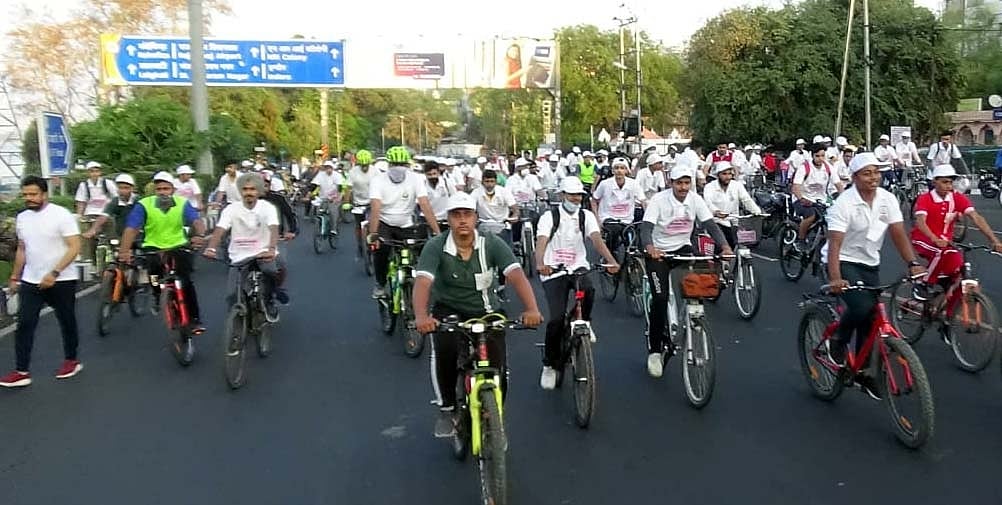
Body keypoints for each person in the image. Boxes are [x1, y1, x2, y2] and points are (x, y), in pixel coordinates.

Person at [413, 192, 543, 437]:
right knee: (445, 350)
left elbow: (516, 275)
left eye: (467, 214)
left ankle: (493, 419)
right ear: (448, 219)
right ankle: (448, 408)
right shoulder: (436, 246)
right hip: (449, 310)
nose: (462, 220)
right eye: (456, 215)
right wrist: (421, 316)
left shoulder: (491, 243)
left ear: (475, 218)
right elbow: (422, 282)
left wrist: (532, 309)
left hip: (487, 310)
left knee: (498, 368)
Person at [825, 152, 926, 399]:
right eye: (867, 173)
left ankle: (863, 371)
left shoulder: (887, 199)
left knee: (872, 319)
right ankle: (839, 338)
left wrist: (913, 263)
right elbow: (835, 245)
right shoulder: (844, 204)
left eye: (876, 172)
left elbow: (898, 233)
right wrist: (836, 278)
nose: (874, 178)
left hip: (870, 262)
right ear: (855, 177)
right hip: (844, 260)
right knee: (860, 307)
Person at [640, 165, 734, 378]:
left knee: (699, 287)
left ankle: (692, 319)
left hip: (683, 249)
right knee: (661, 298)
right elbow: (645, 228)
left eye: (686, 183)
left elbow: (710, 225)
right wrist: (650, 248)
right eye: (678, 183)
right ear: (671, 183)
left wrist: (725, 247)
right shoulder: (659, 200)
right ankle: (654, 351)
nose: (683, 187)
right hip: (660, 253)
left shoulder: (695, 199)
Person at [535, 177, 620, 389]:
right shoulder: (549, 217)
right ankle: (549, 364)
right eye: (572, 195)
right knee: (555, 318)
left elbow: (596, 239)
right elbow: (541, 241)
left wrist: (610, 260)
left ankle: (585, 322)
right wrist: (540, 263)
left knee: (589, 289)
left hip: (577, 266)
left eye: (579, 195)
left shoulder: (586, 216)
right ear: (563, 195)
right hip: (553, 270)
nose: (576, 199)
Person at [0, 177, 83, 387]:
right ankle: (21, 371)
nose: (29, 198)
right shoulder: (22, 218)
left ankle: (71, 360)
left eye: (33, 194)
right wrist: (14, 276)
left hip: (61, 279)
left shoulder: (60, 215)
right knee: (25, 323)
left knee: (66, 320)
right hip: (31, 280)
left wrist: (54, 273)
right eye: (26, 194)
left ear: (44, 194)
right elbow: (22, 248)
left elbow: (74, 246)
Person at [910, 164, 1002, 342]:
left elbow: (976, 217)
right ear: (934, 182)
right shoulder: (925, 199)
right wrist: (934, 238)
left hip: (946, 243)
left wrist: (994, 241)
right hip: (924, 239)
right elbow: (920, 222)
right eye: (944, 182)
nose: (949, 186)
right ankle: (924, 284)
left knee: (959, 277)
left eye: (951, 182)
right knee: (942, 252)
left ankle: (946, 320)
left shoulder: (957, 198)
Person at [118, 171, 207, 334]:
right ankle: (158, 294)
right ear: (155, 190)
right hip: (153, 246)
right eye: (159, 189)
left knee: (186, 282)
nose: (162, 192)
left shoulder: (182, 203)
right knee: (154, 275)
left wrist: (200, 235)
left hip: (179, 245)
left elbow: (196, 221)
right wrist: (124, 251)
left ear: (173, 190)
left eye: (166, 188)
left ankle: (195, 319)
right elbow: (131, 228)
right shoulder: (144, 204)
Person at [204, 173, 281, 319]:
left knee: (271, 273)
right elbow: (220, 229)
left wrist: (271, 249)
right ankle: (236, 325)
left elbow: (274, 228)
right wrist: (211, 248)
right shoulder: (232, 209)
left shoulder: (268, 208)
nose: (249, 193)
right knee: (232, 295)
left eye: (252, 189)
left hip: (263, 252)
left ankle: (270, 301)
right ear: (241, 191)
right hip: (239, 254)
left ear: (258, 191)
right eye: (245, 189)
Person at [368, 146, 440, 299]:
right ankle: (380, 284)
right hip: (384, 223)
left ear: (407, 165)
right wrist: (374, 234)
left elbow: (425, 205)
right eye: (395, 165)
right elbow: (375, 208)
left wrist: (437, 232)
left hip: (407, 224)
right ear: (388, 165)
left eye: (401, 165)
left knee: (423, 251)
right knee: (381, 252)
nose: (398, 169)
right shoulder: (378, 180)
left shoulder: (416, 178)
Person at [591, 156, 646, 253]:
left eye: (622, 168)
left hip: (627, 220)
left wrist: (647, 217)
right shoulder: (605, 184)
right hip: (608, 219)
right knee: (613, 237)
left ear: (626, 170)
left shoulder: (634, 184)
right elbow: (594, 200)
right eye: (616, 168)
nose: (619, 171)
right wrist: (597, 220)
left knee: (634, 241)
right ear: (612, 171)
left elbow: (643, 201)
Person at [702, 161, 763, 249]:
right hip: (716, 222)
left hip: (733, 222)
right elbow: (708, 203)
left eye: (730, 174)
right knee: (720, 248)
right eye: (724, 174)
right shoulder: (710, 187)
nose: (727, 177)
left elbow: (746, 199)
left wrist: (757, 211)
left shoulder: (737, 185)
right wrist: (716, 212)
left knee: (733, 247)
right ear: (718, 175)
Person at [260, 171, 298, 305]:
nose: (263, 187)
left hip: (276, 238)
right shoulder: (247, 201)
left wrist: (292, 231)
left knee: (279, 264)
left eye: (266, 184)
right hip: (252, 240)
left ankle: (276, 289)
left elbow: (290, 215)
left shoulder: (278, 199)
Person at [792, 144, 840, 249]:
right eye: (817, 156)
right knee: (811, 215)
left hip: (821, 199)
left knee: (834, 216)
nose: (820, 159)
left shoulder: (828, 167)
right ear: (812, 156)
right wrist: (801, 199)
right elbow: (795, 187)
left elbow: (838, 184)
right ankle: (801, 240)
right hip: (803, 198)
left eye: (822, 156)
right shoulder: (804, 167)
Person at [82, 173, 138, 240]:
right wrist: (93, 230)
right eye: (120, 188)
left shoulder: (138, 201)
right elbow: (104, 216)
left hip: (137, 234)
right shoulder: (115, 201)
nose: (122, 191)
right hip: (120, 234)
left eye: (126, 188)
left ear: (132, 188)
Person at [471, 169, 518, 245]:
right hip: (483, 224)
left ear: (496, 182)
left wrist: (515, 215)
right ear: (482, 182)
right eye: (487, 181)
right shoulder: (476, 192)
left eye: (492, 181)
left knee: (506, 248)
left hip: (502, 224)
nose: (489, 184)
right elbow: (470, 208)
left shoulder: (504, 191)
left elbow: (514, 207)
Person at [310, 161, 344, 238]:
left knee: (332, 211)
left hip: (334, 197)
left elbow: (340, 187)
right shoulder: (320, 175)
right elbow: (314, 184)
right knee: (319, 211)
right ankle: (321, 226)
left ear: (332, 168)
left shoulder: (337, 175)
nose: (328, 169)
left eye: (329, 167)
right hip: (323, 196)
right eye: (326, 167)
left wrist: (338, 197)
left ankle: (334, 229)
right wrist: (309, 193)